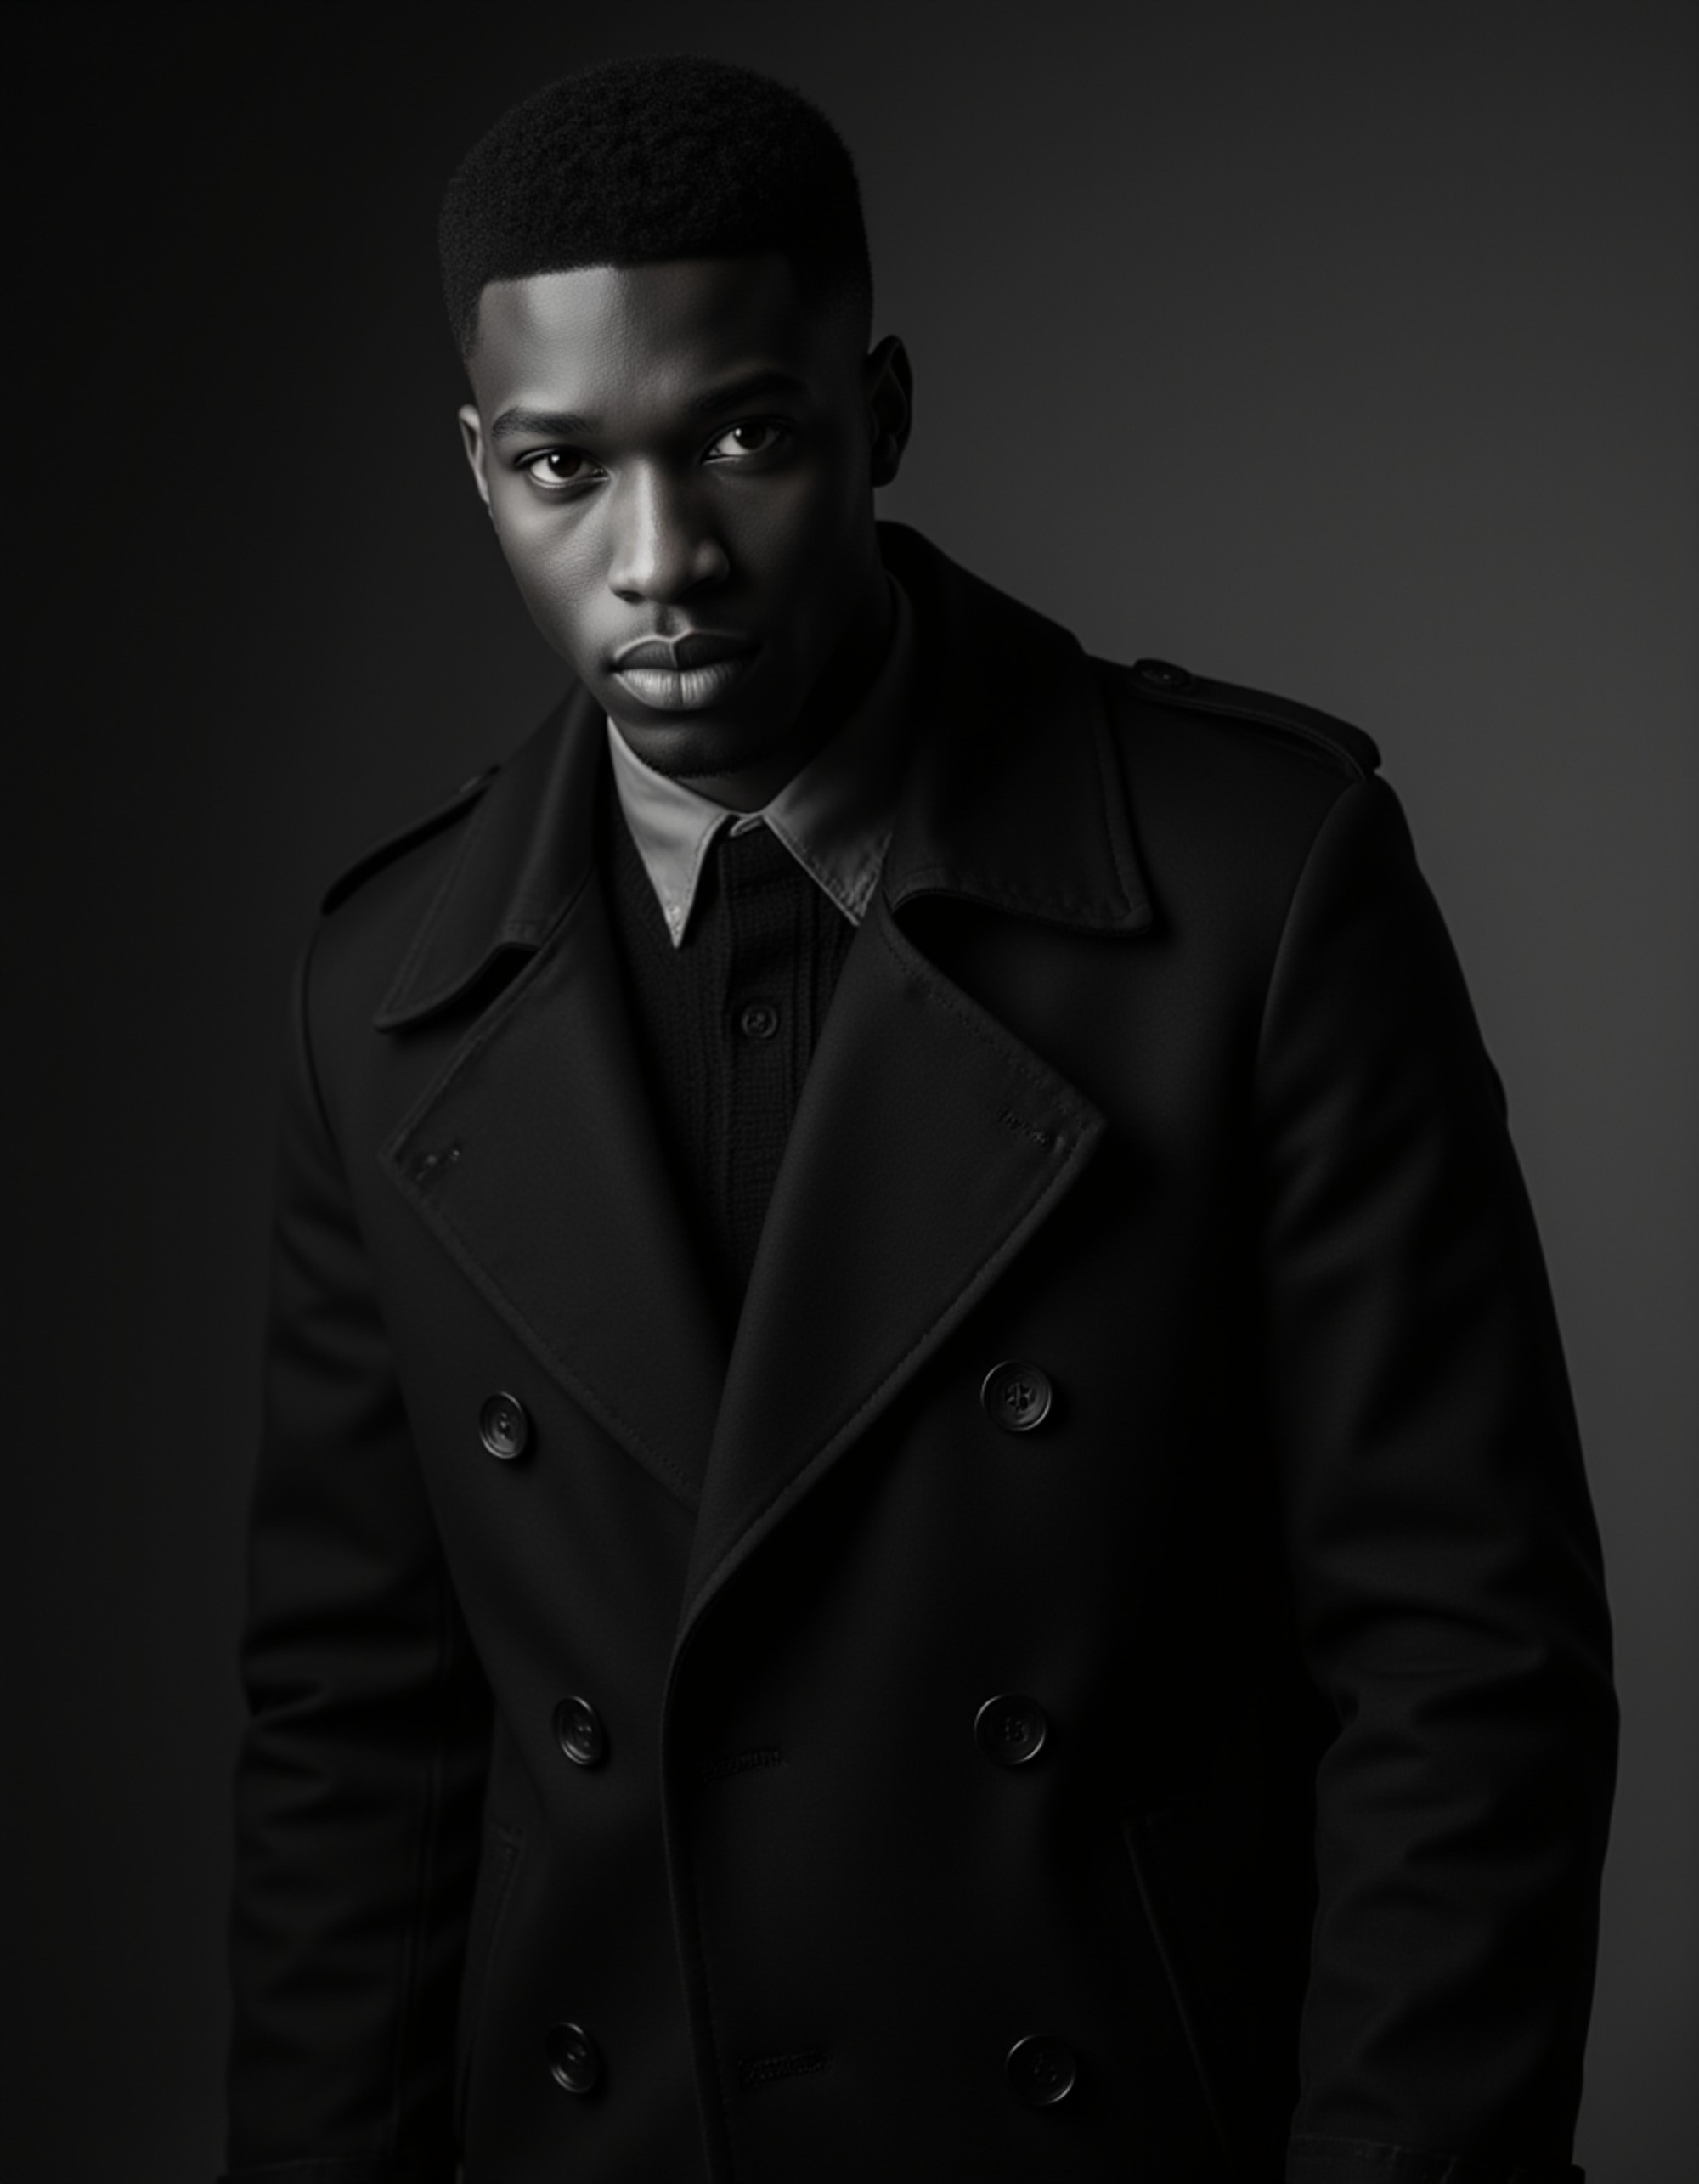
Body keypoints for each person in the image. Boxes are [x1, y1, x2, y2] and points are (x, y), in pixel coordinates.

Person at [220, 52, 1617, 2184]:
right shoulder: (382, 992)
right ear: (475, 471)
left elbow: (1465, 1667)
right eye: (559, 468)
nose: (658, 557)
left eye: (745, 437)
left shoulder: (1260, 883)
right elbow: (359, 1749)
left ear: (877, 413)